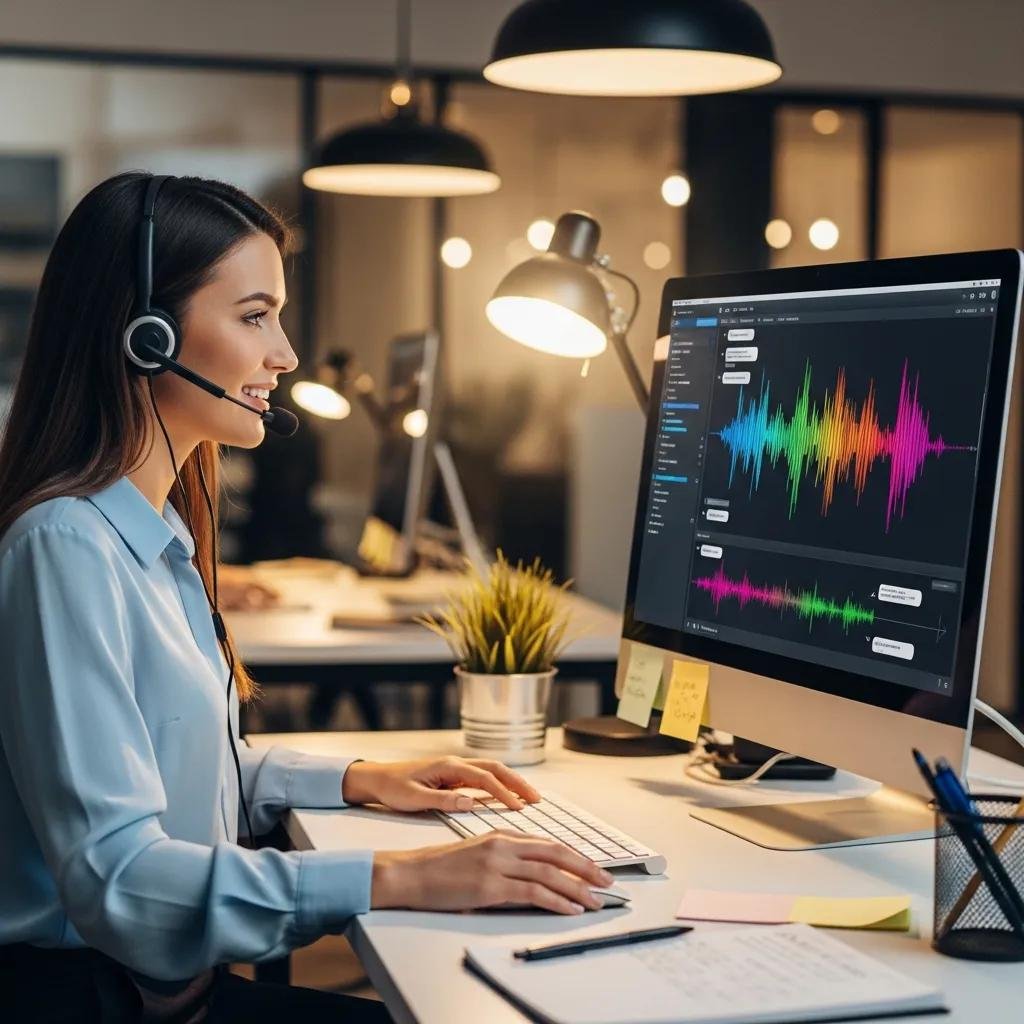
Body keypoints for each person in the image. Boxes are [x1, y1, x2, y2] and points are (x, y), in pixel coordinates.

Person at [0, 172, 612, 1023]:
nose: (284, 353)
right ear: (145, 335)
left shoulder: (156, 537)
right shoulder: (65, 548)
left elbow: (185, 772)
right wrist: (402, 878)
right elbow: (119, 874)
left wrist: (364, 778)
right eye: (254, 316)